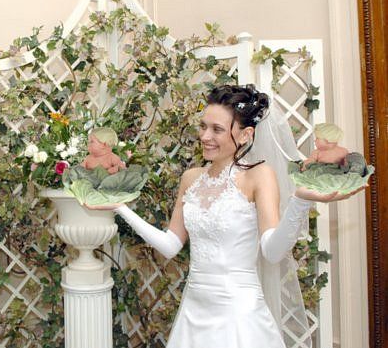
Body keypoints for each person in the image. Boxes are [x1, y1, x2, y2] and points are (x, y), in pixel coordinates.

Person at [87, 84, 364, 348]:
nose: (205, 136)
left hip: (239, 315)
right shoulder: (191, 178)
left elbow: (272, 251)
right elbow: (171, 245)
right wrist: (120, 208)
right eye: (203, 126)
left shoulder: (259, 176)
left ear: (245, 135)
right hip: (193, 312)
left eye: (217, 129)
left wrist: (300, 201)